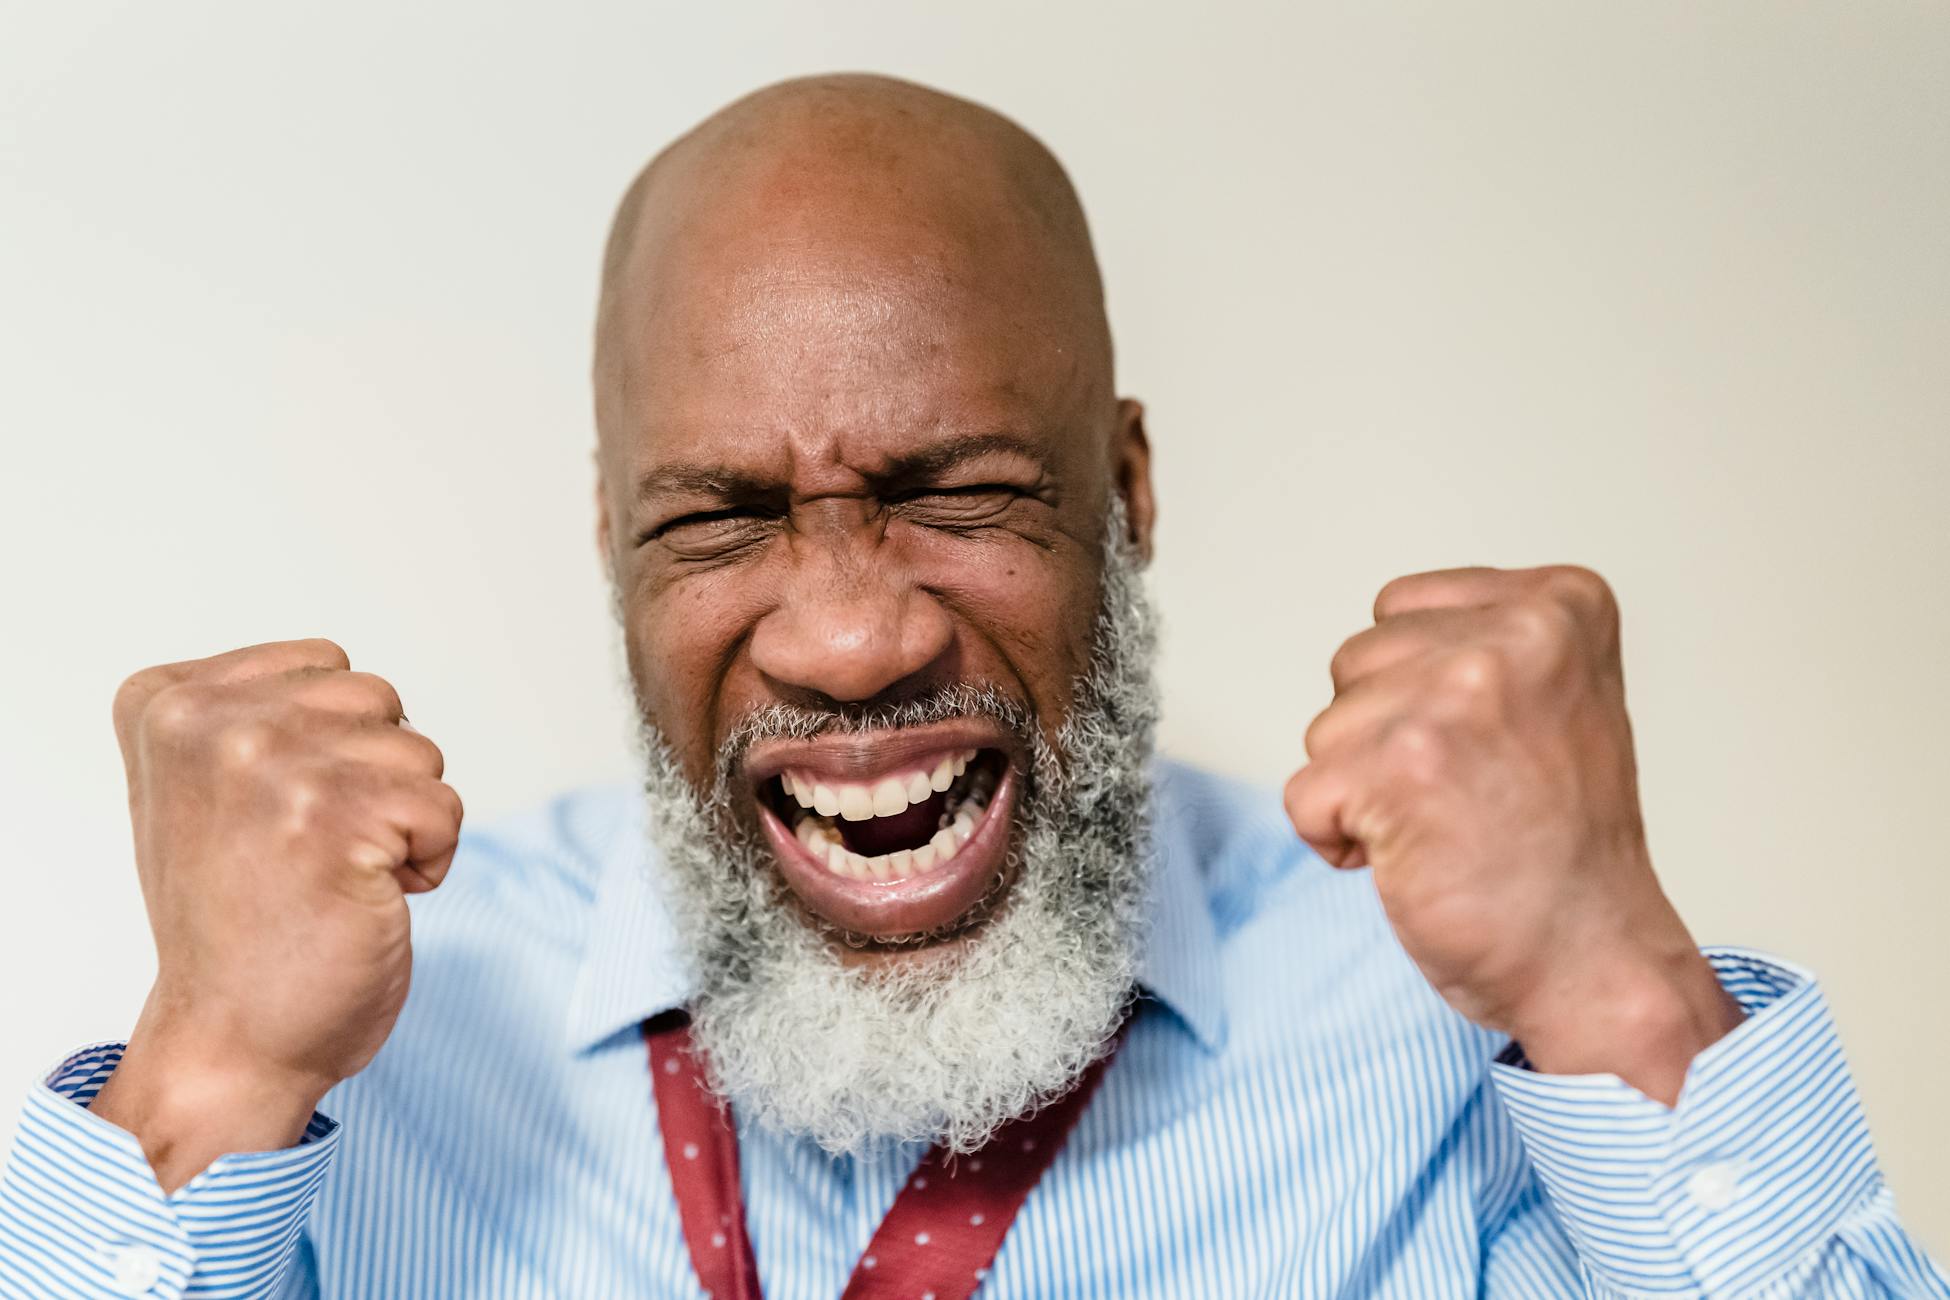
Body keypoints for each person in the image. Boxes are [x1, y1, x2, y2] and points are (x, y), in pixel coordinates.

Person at [0, 73, 1942, 1300]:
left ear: (1130, 490)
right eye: (722, 522)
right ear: (613, 543)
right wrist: (202, 1087)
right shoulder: (373, 1045)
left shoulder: (1448, 1021)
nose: (851, 638)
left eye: (960, 496)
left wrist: (1620, 997)